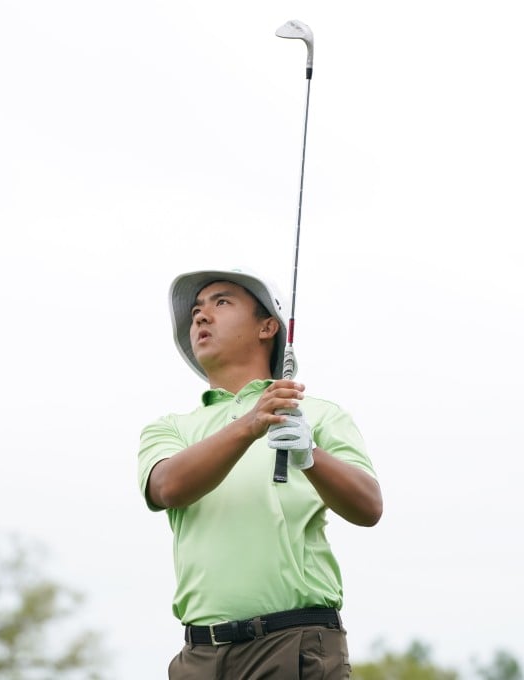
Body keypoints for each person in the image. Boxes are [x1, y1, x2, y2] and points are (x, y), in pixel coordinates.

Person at [137, 267, 384, 680]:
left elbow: (368, 507)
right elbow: (168, 486)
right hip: (199, 655)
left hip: (293, 642)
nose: (200, 316)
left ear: (268, 326)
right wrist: (251, 424)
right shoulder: (170, 427)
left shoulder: (318, 414)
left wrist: (310, 454)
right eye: (197, 309)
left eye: (221, 302)